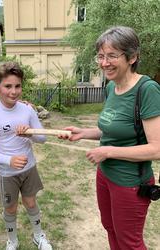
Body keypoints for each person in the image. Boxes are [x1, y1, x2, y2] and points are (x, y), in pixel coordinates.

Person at [60, 26, 160, 250]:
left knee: (130, 243)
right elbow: (114, 131)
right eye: (101, 56)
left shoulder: (147, 90)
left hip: (130, 183)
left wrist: (107, 152)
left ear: (133, 57)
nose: (104, 63)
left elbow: (156, 149)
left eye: (112, 56)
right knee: (110, 228)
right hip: (105, 175)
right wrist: (83, 133)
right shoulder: (111, 87)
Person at [0, 61, 53, 250]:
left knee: (30, 202)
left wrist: (30, 133)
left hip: (29, 168)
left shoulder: (27, 110)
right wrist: (9, 160)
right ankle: (12, 241)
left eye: (17, 86)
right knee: (10, 208)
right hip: (7, 173)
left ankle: (38, 236)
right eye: (8, 86)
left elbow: (42, 138)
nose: (13, 91)